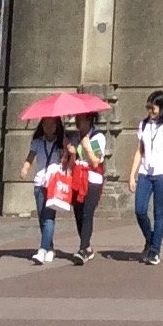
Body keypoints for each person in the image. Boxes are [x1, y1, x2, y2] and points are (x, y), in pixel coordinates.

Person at [131, 90, 163, 266]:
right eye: (148, 108)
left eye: (153, 108)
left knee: (159, 212)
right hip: (145, 173)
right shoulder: (144, 125)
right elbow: (139, 151)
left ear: (162, 107)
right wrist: (132, 175)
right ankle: (150, 238)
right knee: (140, 210)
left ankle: (155, 250)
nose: (150, 112)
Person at [21, 117, 69, 265]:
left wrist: (66, 152)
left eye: (52, 125)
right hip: (39, 182)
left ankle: (42, 249)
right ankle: (50, 247)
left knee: (49, 218)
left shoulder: (61, 143)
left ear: (57, 126)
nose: (49, 128)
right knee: (42, 218)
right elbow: (30, 158)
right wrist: (25, 168)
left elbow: (65, 162)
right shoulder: (37, 142)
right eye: (45, 125)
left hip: (53, 184)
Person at [67, 113, 109, 263]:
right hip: (78, 177)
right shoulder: (75, 137)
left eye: (80, 118)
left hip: (92, 179)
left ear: (89, 120)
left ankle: (83, 247)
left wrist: (87, 147)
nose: (77, 121)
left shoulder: (97, 137)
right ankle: (87, 246)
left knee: (87, 213)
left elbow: (96, 161)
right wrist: (71, 154)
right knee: (78, 212)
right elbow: (71, 162)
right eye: (76, 118)